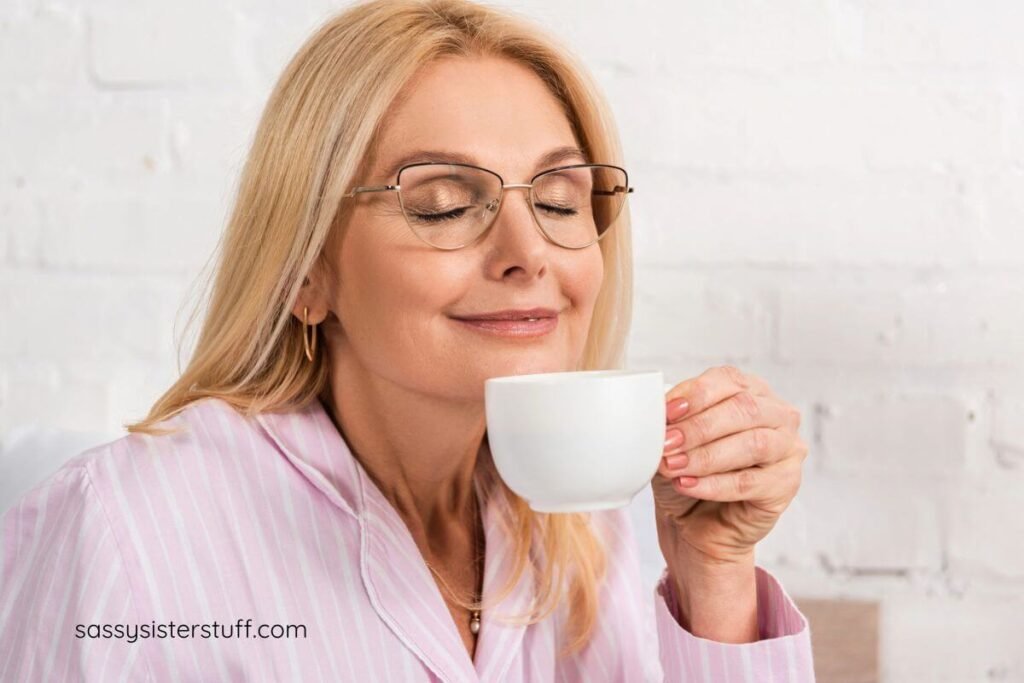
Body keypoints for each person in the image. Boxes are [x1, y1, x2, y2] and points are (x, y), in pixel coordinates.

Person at [0, 0, 816, 680]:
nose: (529, 252)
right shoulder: (124, 527)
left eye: (559, 202)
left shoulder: (583, 528)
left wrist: (714, 575)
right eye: (443, 204)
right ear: (306, 271)